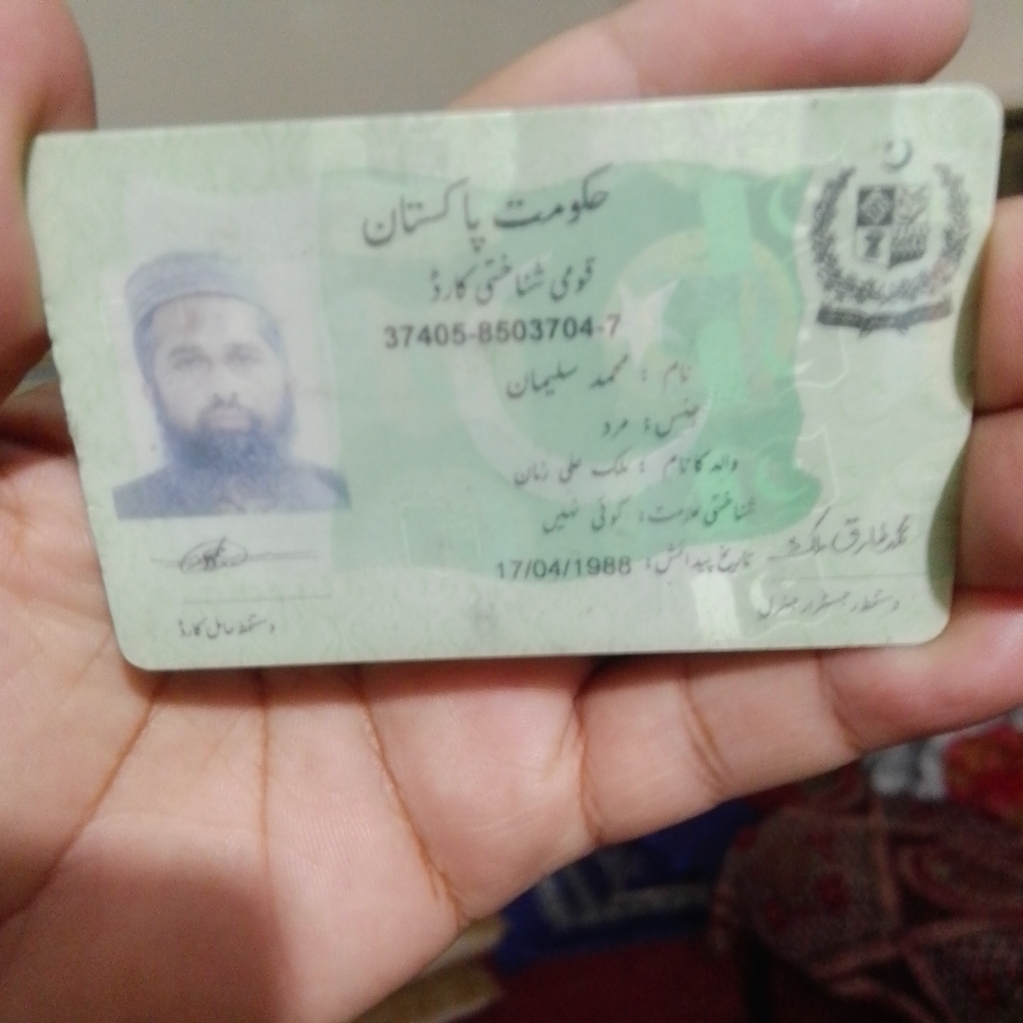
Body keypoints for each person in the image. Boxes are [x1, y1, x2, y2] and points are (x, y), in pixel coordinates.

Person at [0, 0, 1020, 1021]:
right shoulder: (125, 550)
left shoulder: (320, 495)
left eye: (241, 351)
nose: (223, 380)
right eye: (187, 359)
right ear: (144, 379)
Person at [113, 251, 349, 518]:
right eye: (188, 363)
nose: (223, 388)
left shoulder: (340, 496)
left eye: (243, 358)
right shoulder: (123, 512)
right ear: (151, 392)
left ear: (287, 378)